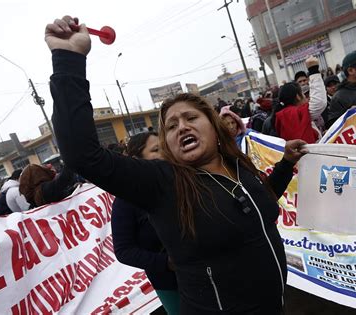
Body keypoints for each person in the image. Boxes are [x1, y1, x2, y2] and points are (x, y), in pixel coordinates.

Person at [45, 15, 308, 314]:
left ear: (214, 126)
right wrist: (68, 60)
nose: (181, 127)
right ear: (168, 144)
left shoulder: (237, 166)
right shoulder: (162, 183)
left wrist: (286, 164)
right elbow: (82, 154)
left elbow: (262, 202)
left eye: (191, 118)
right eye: (171, 126)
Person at [112, 131, 179, 315]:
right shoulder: (124, 201)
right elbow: (124, 251)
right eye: (156, 150)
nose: (164, 154)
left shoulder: (180, 181)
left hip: (203, 272)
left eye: (164, 148)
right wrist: (166, 262)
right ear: (136, 159)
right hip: (170, 284)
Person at [276, 56, 327, 142]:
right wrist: (313, 70)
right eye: (303, 94)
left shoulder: (282, 115)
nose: (307, 99)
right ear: (298, 96)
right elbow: (319, 101)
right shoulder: (296, 113)